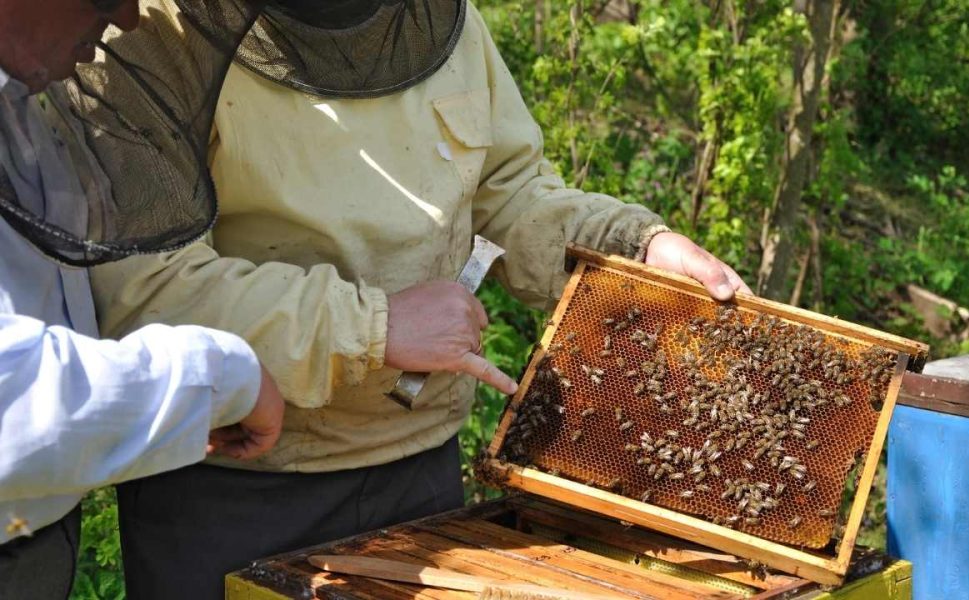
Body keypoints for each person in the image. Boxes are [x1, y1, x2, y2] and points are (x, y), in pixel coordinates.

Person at [86, 1, 754, 597]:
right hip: (233, 479)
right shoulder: (144, 37)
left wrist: (634, 246)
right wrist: (373, 326)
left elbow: (511, 192)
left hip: (421, 473)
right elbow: (149, 290)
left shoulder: (442, 24)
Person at [0, 1, 286, 598]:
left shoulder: (24, 91)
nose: (127, 17)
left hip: (38, 532)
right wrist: (225, 375)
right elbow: (11, 403)